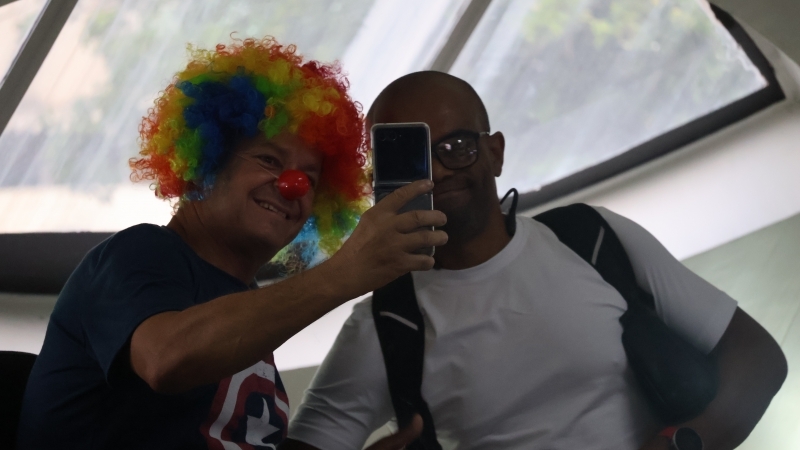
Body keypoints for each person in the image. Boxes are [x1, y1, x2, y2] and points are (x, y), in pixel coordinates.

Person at [281, 71, 788, 450]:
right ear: (379, 179)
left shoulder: (592, 238)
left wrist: (683, 443)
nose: (437, 171)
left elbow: (758, 359)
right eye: (411, 156)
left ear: (495, 153)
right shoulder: (386, 322)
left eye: (456, 146)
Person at [16, 38, 446, 449]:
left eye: (310, 178)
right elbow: (167, 359)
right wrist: (343, 273)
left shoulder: (248, 306)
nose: (292, 185)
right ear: (207, 160)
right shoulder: (137, 255)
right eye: (269, 160)